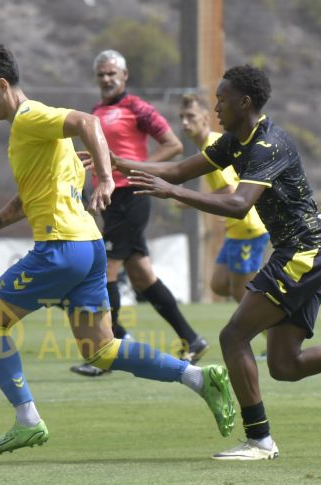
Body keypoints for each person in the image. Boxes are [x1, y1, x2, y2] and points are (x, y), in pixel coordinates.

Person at [116, 64, 321, 460]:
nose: (216, 106)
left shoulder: (267, 145)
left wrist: (173, 192)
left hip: (303, 251)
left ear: (244, 102)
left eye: (222, 99)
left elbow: (237, 203)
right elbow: (178, 168)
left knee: (233, 336)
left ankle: (259, 441)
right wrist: (122, 164)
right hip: (303, 251)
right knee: (284, 365)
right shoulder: (234, 141)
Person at [0, 44, 235, 454]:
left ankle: (27, 419)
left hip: (60, 249)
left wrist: (105, 177)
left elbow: (87, 121)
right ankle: (197, 377)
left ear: (1, 85)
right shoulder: (41, 133)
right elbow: (28, 198)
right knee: (101, 350)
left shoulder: (30, 117)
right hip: (87, 248)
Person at [71, 49, 210, 378]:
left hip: (130, 196)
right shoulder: (96, 111)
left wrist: (138, 170)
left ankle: (106, 351)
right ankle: (192, 338)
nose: (106, 79)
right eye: (101, 74)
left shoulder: (135, 107)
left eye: (111, 73)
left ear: (125, 75)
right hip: (113, 198)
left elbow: (172, 143)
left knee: (106, 272)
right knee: (142, 276)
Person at [178, 93, 269, 303]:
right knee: (219, 284)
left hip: (248, 227)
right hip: (236, 229)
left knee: (240, 293)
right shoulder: (212, 143)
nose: (184, 122)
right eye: (182, 117)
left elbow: (229, 191)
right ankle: (265, 296)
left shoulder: (213, 147)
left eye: (190, 116)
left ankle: (272, 329)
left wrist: (188, 198)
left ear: (205, 119)